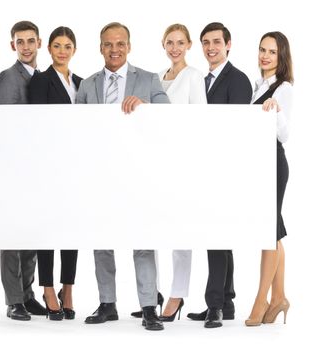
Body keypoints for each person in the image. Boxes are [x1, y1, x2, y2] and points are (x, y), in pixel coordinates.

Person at [76, 22, 170, 331]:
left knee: (143, 239)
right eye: (107, 44)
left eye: (119, 44)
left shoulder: (148, 79)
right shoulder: (88, 86)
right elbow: (76, 127)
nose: (114, 49)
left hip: (139, 172)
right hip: (100, 172)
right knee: (101, 239)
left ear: (129, 46)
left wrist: (145, 107)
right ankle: (107, 303)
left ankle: (148, 307)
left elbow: (170, 119)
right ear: (100, 48)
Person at [132, 23, 207, 322]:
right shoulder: (158, 77)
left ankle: (177, 295)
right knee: (152, 227)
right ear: (163, 45)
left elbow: (198, 118)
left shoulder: (193, 76)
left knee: (180, 230)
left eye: (180, 43)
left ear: (188, 45)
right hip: (156, 161)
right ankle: (155, 293)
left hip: (182, 160)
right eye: (169, 43)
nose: (174, 48)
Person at [186, 22, 252, 328]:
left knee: (216, 235)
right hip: (205, 166)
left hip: (225, 168)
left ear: (228, 44)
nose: (211, 47)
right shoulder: (203, 80)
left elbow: (233, 130)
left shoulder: (237, 80)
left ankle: (214, 305)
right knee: (220, 237)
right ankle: (226, 302)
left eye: (216, 42)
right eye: (205, 42)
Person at [27, 26, 83, 321]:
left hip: (76, 166)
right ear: (48, 48)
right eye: (57, 46)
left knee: (72, 228)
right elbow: (38, 123)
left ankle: (68, 288)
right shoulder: (41, 81)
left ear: (74, 49)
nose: (63, 51)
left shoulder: (81, 82)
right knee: (48, 227)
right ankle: (48, 288)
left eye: (68, 46)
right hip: (48, 165)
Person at [0, 20, 47, 321]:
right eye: (20, 41)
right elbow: (5, 126)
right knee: (12, 236)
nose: (26, 46)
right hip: (14, 166)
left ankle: (27, 295)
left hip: (38, 168)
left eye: (31, 41)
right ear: (12, 45)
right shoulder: (7, 78)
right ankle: (14, 300)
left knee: (32, 234)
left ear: (38, 43)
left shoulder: (42, 77)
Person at [245, 31, 293, 327]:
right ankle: (280, 298)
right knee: (272, 230)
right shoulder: (256, 85)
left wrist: (276, 112)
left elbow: (285, 134)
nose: (265, 55)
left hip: (274, 161)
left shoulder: (283, 87)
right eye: (262, 49)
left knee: (267, 232)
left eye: (272, 52)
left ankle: (261, 300)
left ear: (282, 57)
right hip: (258, 164)